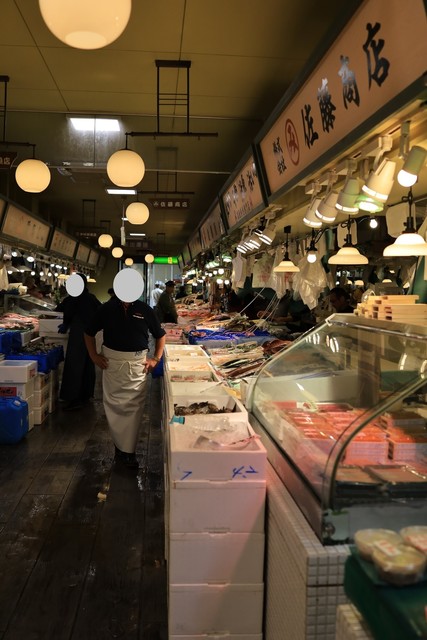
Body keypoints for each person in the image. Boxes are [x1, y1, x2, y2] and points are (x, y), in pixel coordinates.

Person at [84, 290, 166, 470]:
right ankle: (121, 448)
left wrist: (156, 359)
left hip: (137, 365)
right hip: (112, 365)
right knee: (114, 407)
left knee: (134, 408)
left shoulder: (144, 309)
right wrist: (93, 356)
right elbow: (88, 332)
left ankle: (127, 451)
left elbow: (160, 335)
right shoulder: (106, 308)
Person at [56, 273, 101, 411]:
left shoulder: (72, 299)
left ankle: (73, 398)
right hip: (90, 335)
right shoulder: (91, 298)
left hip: (78, 334)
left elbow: (61, 311)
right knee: (87, 363)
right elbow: (100, 311)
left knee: (74, 365)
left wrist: (65, 323)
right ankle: (86, 395)